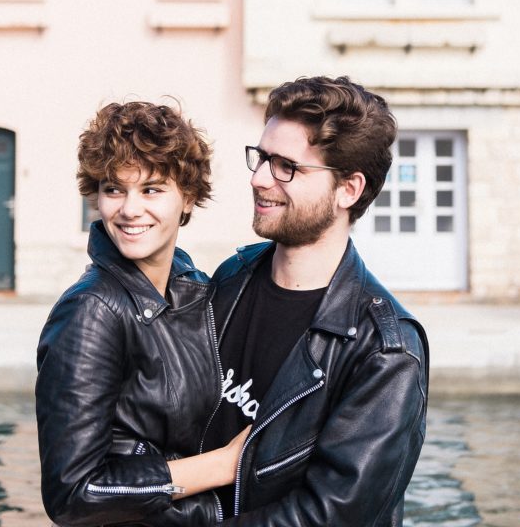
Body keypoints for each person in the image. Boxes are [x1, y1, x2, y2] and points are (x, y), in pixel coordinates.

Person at [204, 75, 429, 526]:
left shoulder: (386, 351)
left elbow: (328, 514)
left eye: (286, 166)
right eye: (262, 158)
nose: (260, 178)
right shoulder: (231, 279)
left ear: (348, 189)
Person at [35, 100, 246, 527]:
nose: (130, 209)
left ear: (187, 198)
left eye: (151, 189)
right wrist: (222, 466)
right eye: (114, 189)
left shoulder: (196, 289)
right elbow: (71, 493)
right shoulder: (91, 311)